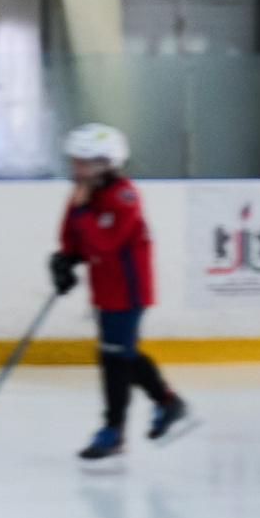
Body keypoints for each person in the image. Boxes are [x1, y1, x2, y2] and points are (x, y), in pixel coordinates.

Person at [50, 123, 190, 462]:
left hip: (128, 290)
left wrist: (82, 213)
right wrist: (64, 260)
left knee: (117, 356)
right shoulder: (85, 194)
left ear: (106, 164)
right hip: (104, 289)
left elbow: (105, 243)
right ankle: (166, 404)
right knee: (117, 353)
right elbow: (74, 237)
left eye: (84, 163)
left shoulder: (123, 197)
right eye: (75, 162)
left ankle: (117, 429)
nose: (76, 170)